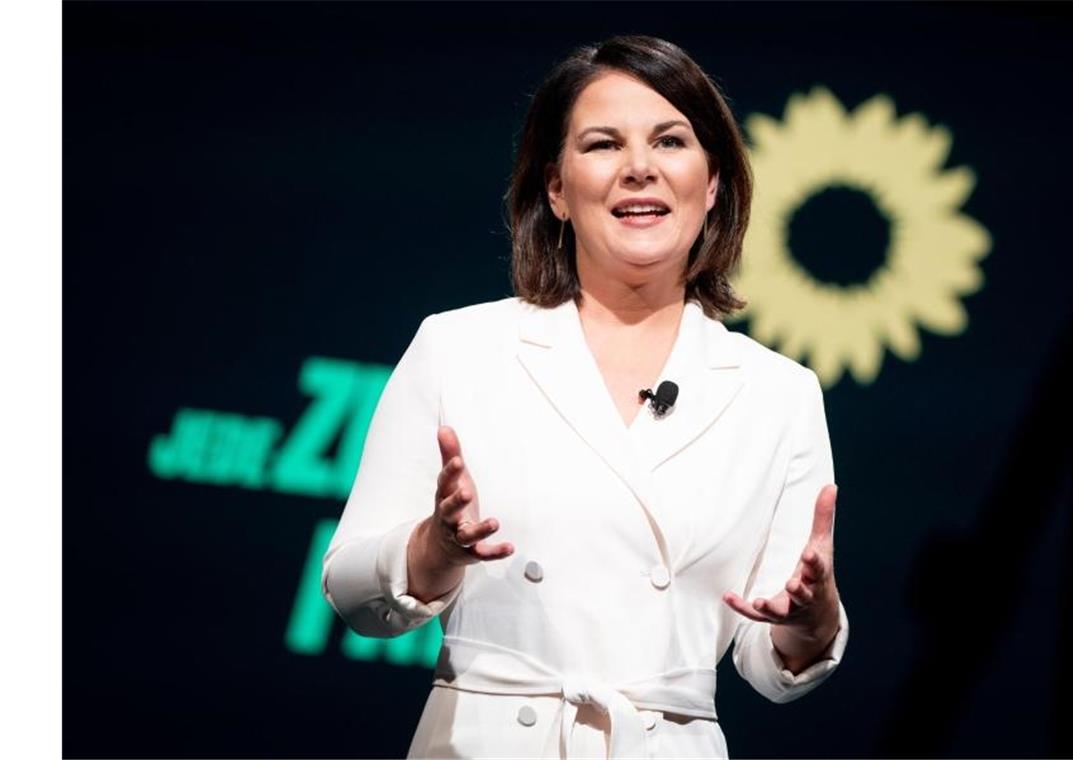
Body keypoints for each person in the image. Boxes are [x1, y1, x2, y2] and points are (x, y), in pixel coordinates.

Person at [321, 35, 849, 759]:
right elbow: (353, 593)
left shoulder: (779, 394)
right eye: (603, 144)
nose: (640, 169)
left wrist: (813, 619)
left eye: (670, 141)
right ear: (557, 190)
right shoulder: (460, 348)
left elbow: (772, 663)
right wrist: (434, 549)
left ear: (714, 182)